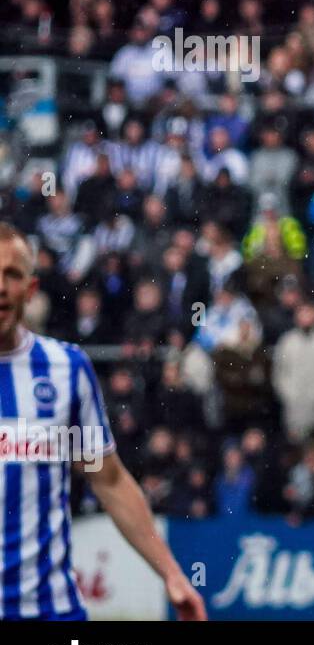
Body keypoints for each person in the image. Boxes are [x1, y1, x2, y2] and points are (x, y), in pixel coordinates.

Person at [0, 223, 205, 620]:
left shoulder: (66, 370)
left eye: (12, 274)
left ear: (31, 288)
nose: (1, 286)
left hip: (50, 612)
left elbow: (107, 479)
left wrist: (172, 573)